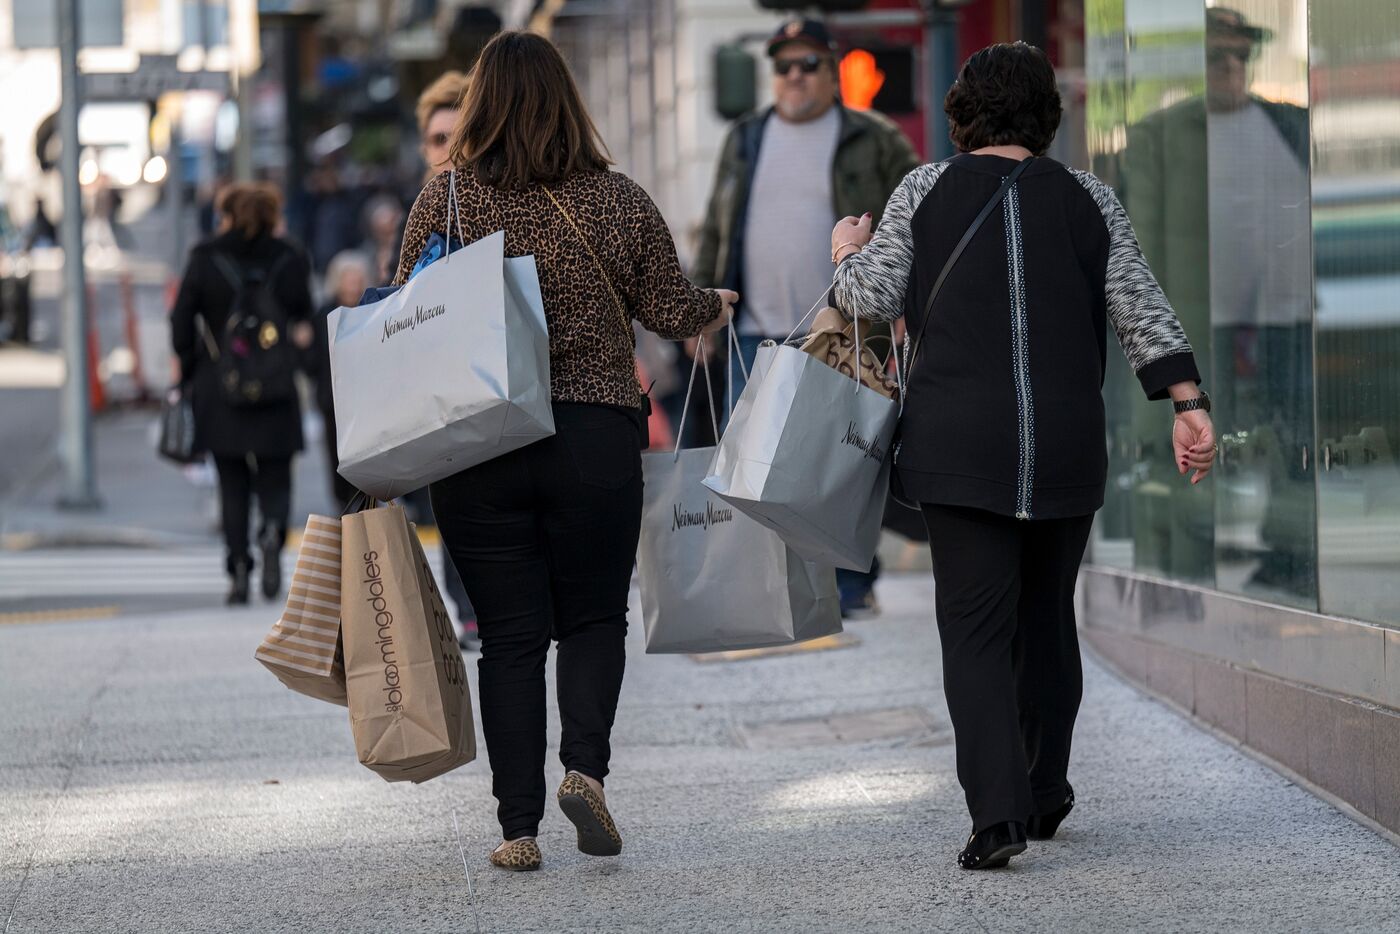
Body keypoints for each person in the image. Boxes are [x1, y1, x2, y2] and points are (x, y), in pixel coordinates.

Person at [830, 42, 1217, 870]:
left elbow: (867, 296)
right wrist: (1187, 403)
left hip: (956, 447)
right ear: (1049, 114)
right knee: (1047, 623)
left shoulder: (922, 189)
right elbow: (1139, 305)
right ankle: (1045, 788)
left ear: (961, 112)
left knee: (974, 632)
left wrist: (844, 249)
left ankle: (998, 816)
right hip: (1064, 447)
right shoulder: (1088, 197)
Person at [393, 30, 735, 872]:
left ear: (479, 106)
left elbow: (405, 311)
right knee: (591, 618)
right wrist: (714, 304)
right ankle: (584, 770)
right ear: (567, 102)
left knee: (510, 636)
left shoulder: (448, 201)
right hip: (592, 435)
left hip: (481, 442)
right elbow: (668, 307)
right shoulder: (615, 199)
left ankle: (517, 827)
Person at [694, 17, 921, 619]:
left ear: (831, 70)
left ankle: (849, 587)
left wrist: (901, 308)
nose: (795, 76)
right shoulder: (744, 137)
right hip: (755, 331)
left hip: (846, 330)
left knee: (841, 465)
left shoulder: (872, 137)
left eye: (808, 64)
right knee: (757, 471)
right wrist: (701, 308)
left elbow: (915, 221)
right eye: (784, 65)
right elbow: (719, 227)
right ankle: (775, 593)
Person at [170, 182, 314, 605]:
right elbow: (304, 314)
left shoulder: (205, 258)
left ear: (227, 215)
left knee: (231, 480)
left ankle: (237, 568)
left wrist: (190, 363)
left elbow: (181, 322)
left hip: (219, 384)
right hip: (275, 381)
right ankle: (271, 530)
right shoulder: (289, 257)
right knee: (276, 473)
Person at [309, 249, 371, 510]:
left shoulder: (372, 307)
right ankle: (342, 506)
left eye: (358, 278)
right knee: (336, 457)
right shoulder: (324, 311)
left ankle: (363, 506)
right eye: (348, 278)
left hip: (366, 398)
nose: (353, 284)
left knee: (366, 457)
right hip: (332, 399)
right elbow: (312, 359)